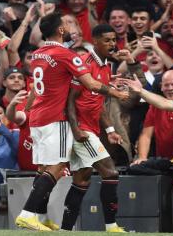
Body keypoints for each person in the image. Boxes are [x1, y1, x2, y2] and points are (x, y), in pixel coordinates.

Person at [15, 12, 127, 231]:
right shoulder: (66, 54)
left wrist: (27, 110)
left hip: (37, 117)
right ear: (60, 30)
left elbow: (33, 91)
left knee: (44, 170)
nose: (67, 27)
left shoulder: (38, 54)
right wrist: (117, 93)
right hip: (55, 118)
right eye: (64, 24)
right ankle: (27, 214)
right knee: (55, 168)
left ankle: (41, 216)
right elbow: (92, 85)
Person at [61, 24, 125, 232]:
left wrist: (110, 130)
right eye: (107, 40)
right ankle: (112, 226)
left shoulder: (106, 67)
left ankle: (65, 229)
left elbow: (99, 105)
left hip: (92, 128)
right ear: (95, 42)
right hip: (81, 130)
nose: (112, 44)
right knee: (110, 172)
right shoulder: (84, 64)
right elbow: (70, 100)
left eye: (114, 40)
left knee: (82, 179)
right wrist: (76, 128)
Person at [132, 70, 173, 165]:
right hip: (164, 162)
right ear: (161, 87)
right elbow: (146, 135)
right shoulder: (155, 106)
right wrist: (142, 158)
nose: (170, 88)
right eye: (166, 85)